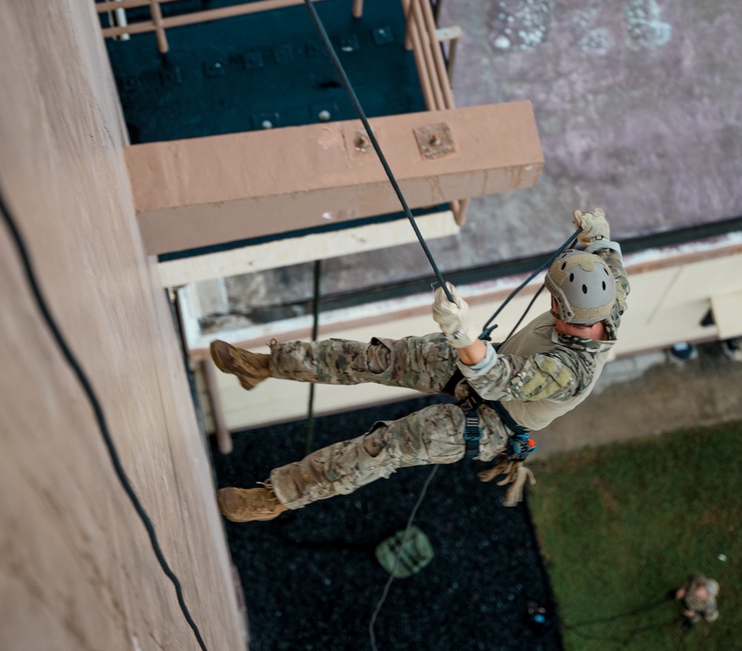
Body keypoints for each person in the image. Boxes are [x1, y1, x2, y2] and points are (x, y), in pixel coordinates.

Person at [212, 208, 630, 522]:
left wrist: (461, 333)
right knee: (379, 359)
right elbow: (610, 261)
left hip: (494, 417)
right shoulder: (607, 302)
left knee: (384, 447)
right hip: (486, 365)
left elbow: (498, 379)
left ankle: (276, 498)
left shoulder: (567, 372)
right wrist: (597, 234)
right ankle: (266, 365)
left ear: (560, 305)